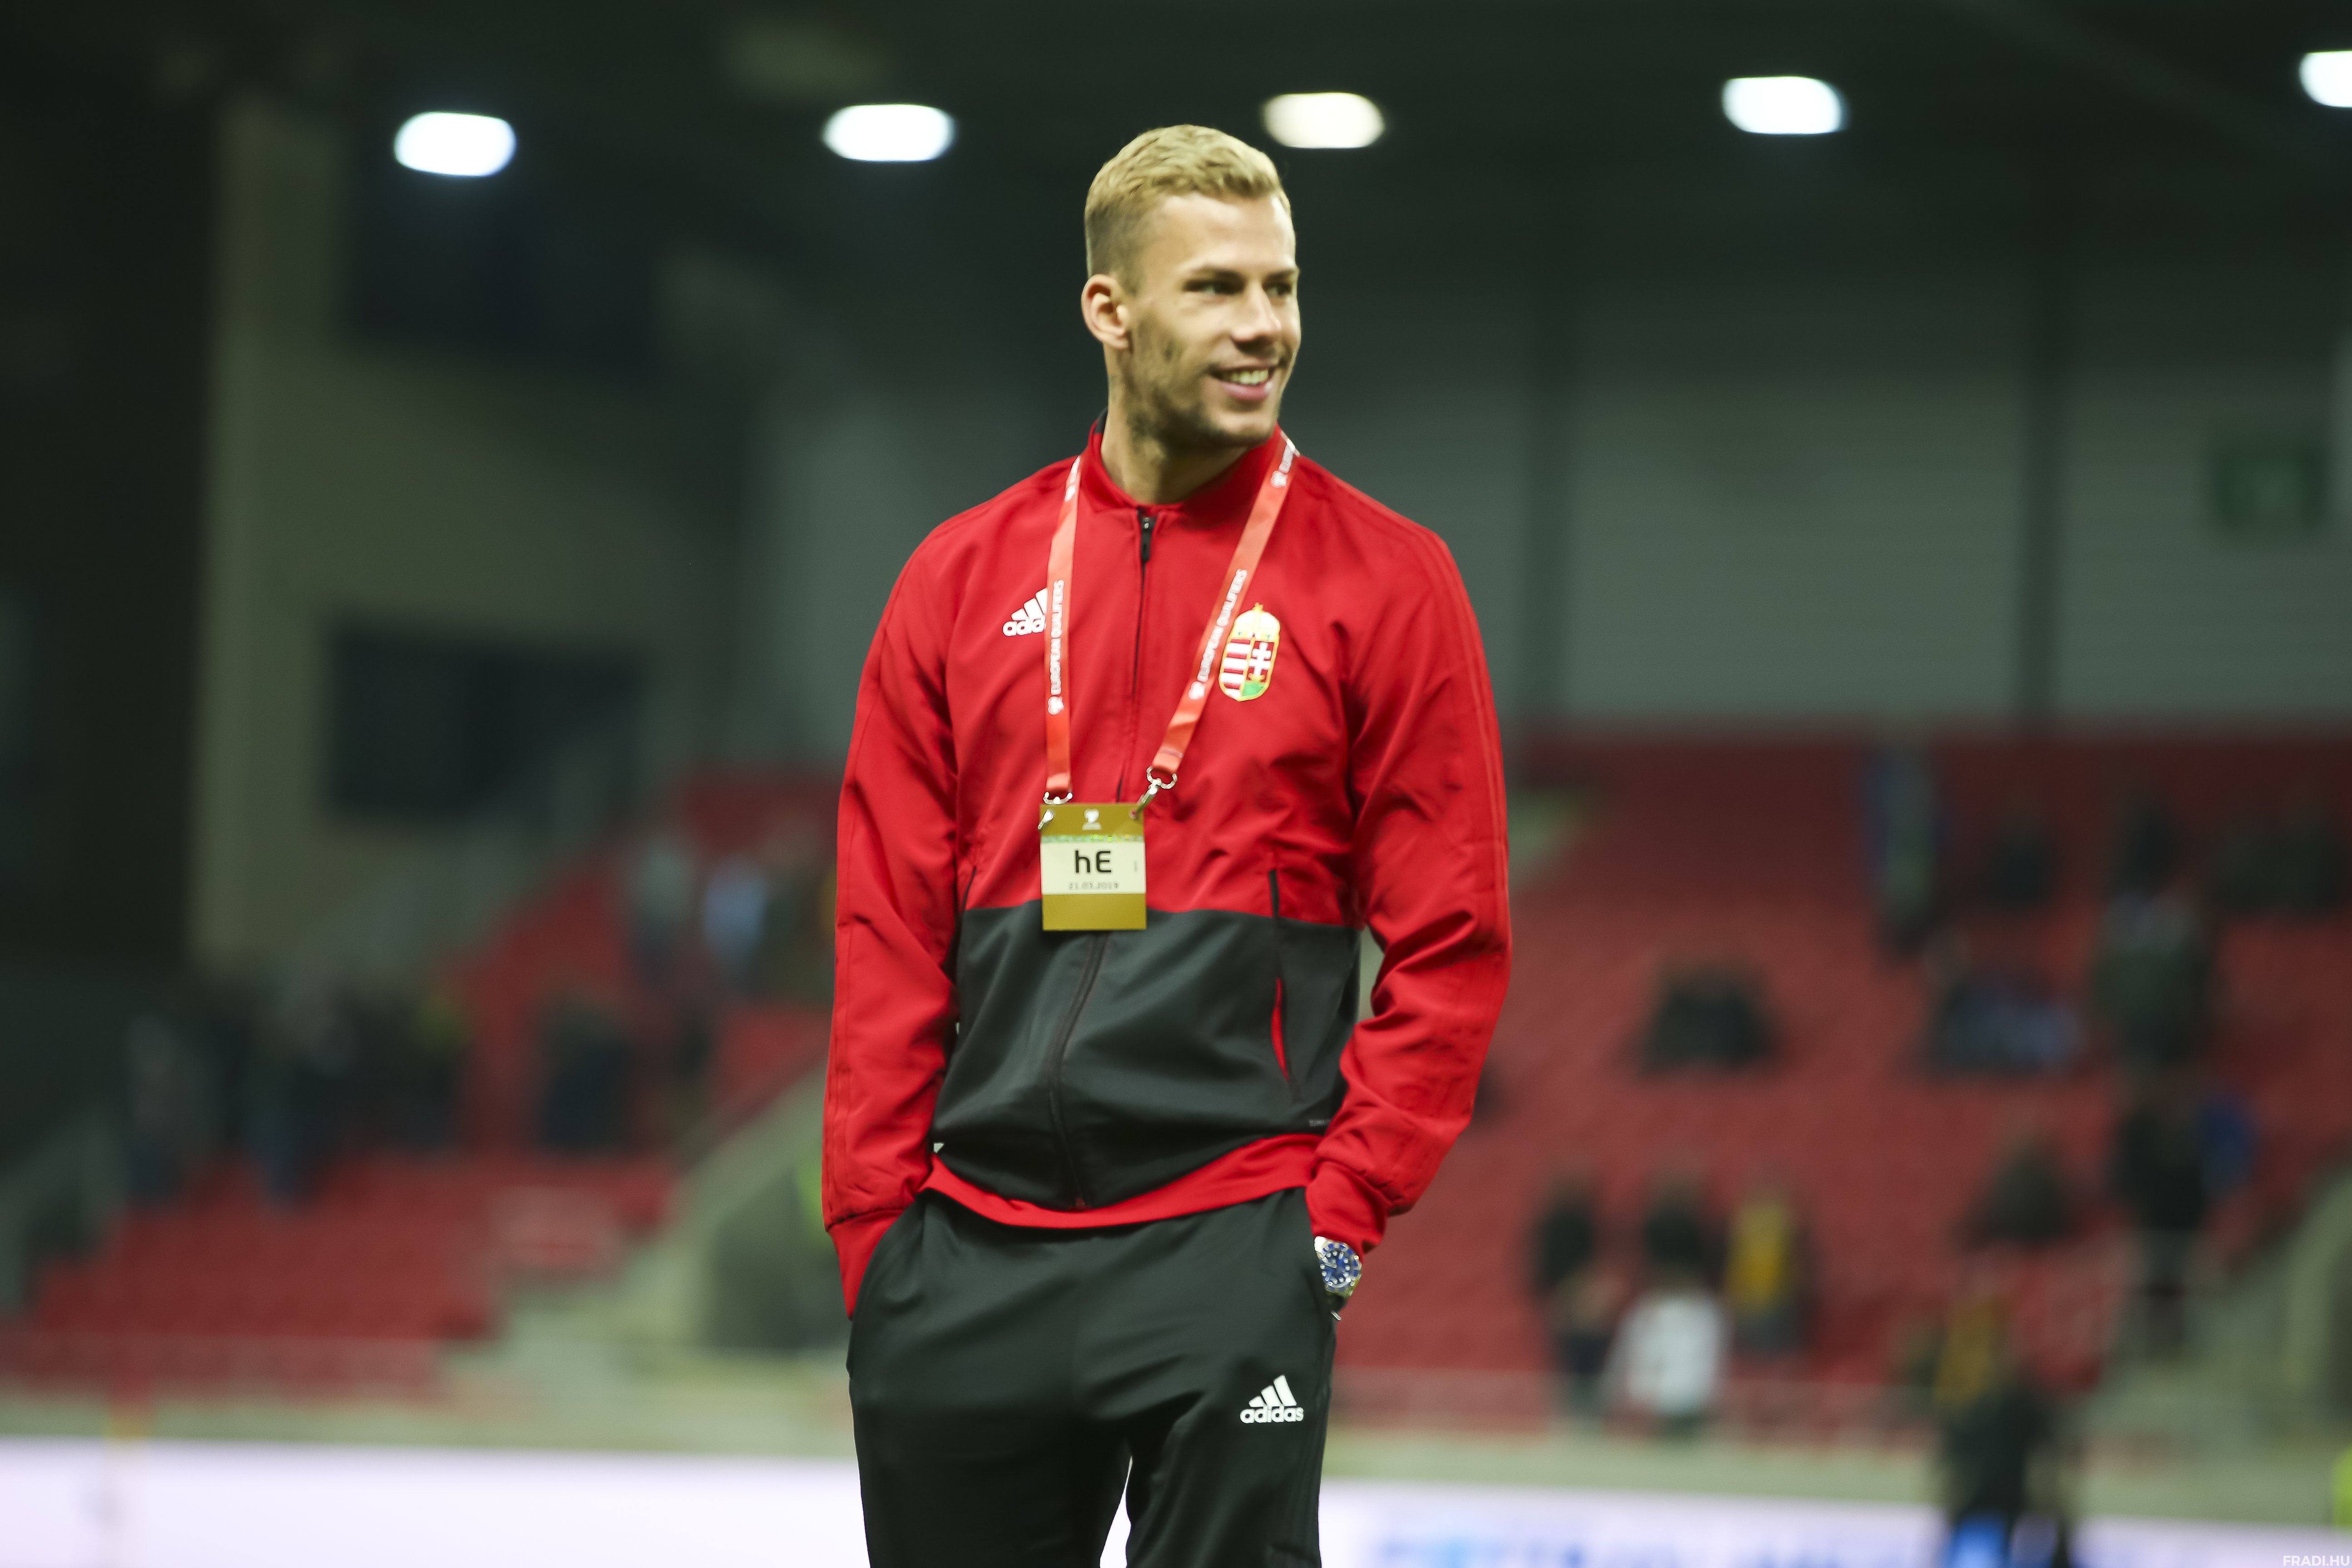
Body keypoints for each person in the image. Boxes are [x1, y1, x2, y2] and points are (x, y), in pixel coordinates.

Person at [821, 126, 1511, 1568]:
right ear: (1111, 309)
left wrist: (1333, 1223)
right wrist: (878, 1238)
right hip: (968, 1247)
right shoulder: (958, 578)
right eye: (1215, 288)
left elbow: (1452, 942)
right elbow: (888, 930)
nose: (1265, 326)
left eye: (1283, 285)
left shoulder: (1390, 582)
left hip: (1232, 1238)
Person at [2108, 1077, 2209, 1355]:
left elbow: (2196, 1191)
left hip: (2175, 1228)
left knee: (2172, 1286)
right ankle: (2157, 1340)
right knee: (2154, 1286)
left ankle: (2172, 1339)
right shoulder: (2138, 1135)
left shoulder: (2185, 1140)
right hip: (2155, 1226)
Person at [1722, 1176, 1809, 1357]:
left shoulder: (1754, 1219)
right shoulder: (1774, 1219)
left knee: (1765, 1352)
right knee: (1763, 1353)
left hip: (1768, 1296)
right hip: (1761, 1296)